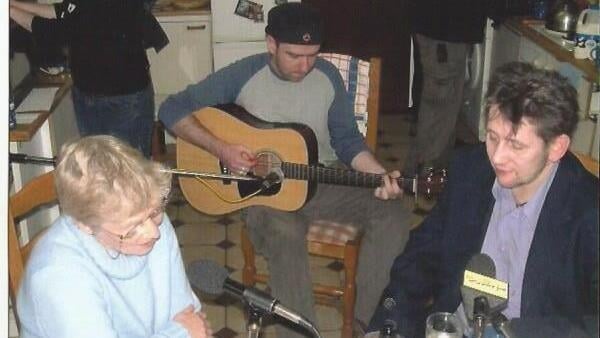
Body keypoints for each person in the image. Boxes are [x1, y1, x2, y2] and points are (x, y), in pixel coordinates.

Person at [158, 3, 412, 336]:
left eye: (313, 55)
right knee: (287, 235)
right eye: (294, 55)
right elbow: (170, 109)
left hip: (320, 181)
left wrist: (378, 174)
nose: (305, 66)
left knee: (395, 209)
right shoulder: (243, 73)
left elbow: (348, 140)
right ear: (271, 44)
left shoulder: (328, 76)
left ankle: (368, 323)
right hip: (264, 195)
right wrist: (222, 149)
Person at [368, 62, 599, 337]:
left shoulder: (588, 210)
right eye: (492, 137)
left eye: (516, 145)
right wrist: (390, 324)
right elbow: (420, 259)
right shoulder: (470, 170)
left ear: (556, 147)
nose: (497, 157)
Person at [16, 135, 212, 338]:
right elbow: (189, 329)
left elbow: (188, 314)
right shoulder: (58, 276)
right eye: (132, 228)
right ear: (86, 225)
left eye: (154, 212)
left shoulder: (149, 218)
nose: (153, 232)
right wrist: (180, 332)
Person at [9, 0, 168, 157]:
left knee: (127, 170)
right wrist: (14, 4)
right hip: (87, 94)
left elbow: (54, 32)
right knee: (98, 167)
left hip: (123, 100)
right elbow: (65, 10)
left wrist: (9, 10)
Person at [402, 0, 497, 176]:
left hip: (441, 25)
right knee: (440, 100)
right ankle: (424, 169)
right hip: (445, 26)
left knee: (444, 99)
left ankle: (433, 166)